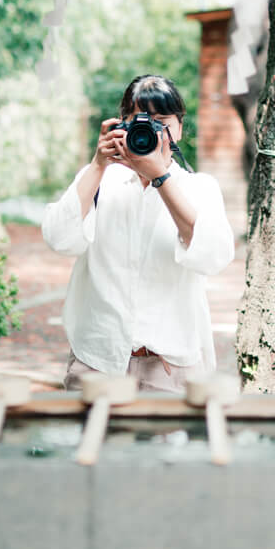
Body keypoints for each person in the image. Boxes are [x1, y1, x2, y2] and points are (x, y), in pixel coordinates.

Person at [41, 74, 235, 392]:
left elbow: (214, 256)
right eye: (140, 120)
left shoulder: (200, 187)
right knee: (93, 442)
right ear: (122, 125)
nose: (153, 129)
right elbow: (58, 238)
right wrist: (97, 164)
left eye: (162, 121)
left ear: (180, 128)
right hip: (97, 360)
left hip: (169, 365)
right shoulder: (98, 180)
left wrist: (160, 177)